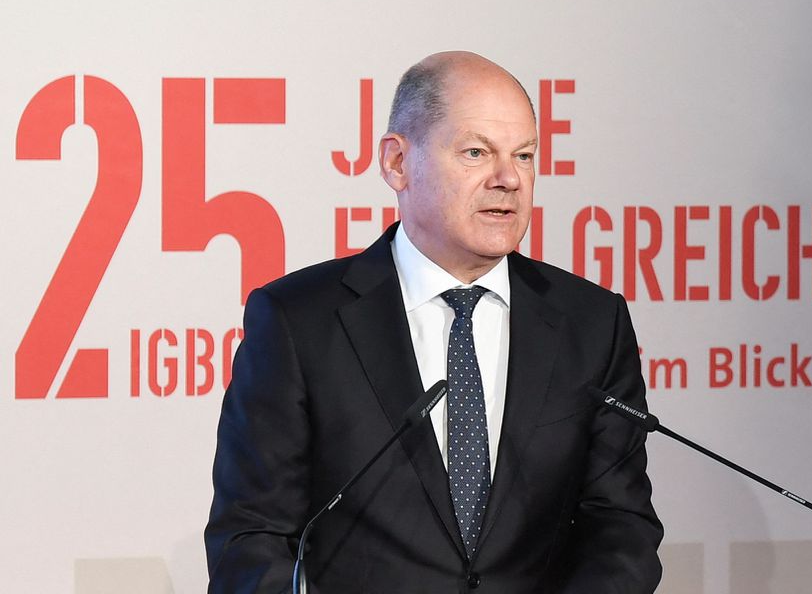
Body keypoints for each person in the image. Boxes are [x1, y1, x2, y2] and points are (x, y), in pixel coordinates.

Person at [205, 51, 663, 593]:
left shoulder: (591, 322)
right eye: (476, 152)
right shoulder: (299, 321)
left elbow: (622, 528)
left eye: (524, 155)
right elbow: (252, 537)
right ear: (397, 163)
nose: (508, 179)